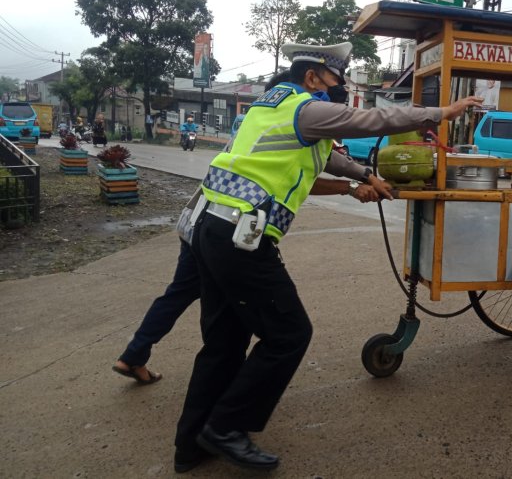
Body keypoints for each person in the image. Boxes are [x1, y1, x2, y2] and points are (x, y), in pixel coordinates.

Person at [173, 41, 482, 473]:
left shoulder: (270, 107)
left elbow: (326, 159)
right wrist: (439, 113)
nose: (339, 91)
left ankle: (190, 447)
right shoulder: (305, 107)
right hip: (241, 238)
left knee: (224, 342)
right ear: (313, 76)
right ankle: (226, 427)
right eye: (336, 81)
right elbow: (371, 118)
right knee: (289, 334)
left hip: (212, 229)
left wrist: (362, 176)